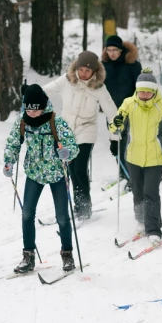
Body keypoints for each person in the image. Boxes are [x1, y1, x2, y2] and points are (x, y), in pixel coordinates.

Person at [3, 85, 79, 273]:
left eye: (35, 109)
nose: (32, 113)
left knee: (62, 217)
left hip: (57, 173)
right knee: (27, 214)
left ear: (43, 106)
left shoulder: (56, 121)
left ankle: (67, 254)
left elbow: (73, 146)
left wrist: (66, 152)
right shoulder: (22, 121)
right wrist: (9, 162)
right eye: (28, 109)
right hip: (34, 173)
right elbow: (13, 143)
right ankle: (28, 256)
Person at [42, 51, 120, 220]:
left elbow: (112, 114)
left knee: (79, 169)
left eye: (88, 71)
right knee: (70, 170)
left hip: (87, 129)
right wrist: (32, 94)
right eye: (82, 69)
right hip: (67, 132)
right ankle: (77, 206)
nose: (84, 74)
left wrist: (115, 139)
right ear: (77, 68)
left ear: (94, 72)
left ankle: (84, 207)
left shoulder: (99, 87)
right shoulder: (67, 80)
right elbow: (47, 90)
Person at [109, 68, 162, 241]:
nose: (143, 94)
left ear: (154, 91)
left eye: (147, 92)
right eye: (141, 91)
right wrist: (116, 123)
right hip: (133, 156)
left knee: (151, 192)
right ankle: (141, 221)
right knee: (137, 191)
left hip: (156, 158)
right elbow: (114, 128)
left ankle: (154, 230)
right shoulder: (129, 103)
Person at [101, 35, 142, 187]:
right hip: (111, 110)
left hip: (129, 110)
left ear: (121, 50)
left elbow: (140, 87)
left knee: (128, 142)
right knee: (116, 142)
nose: (112, 53)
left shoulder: (132, 64)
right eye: (109, 50)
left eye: (115, 50)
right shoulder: (103, 65)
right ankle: (123, 172)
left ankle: (131, 175)